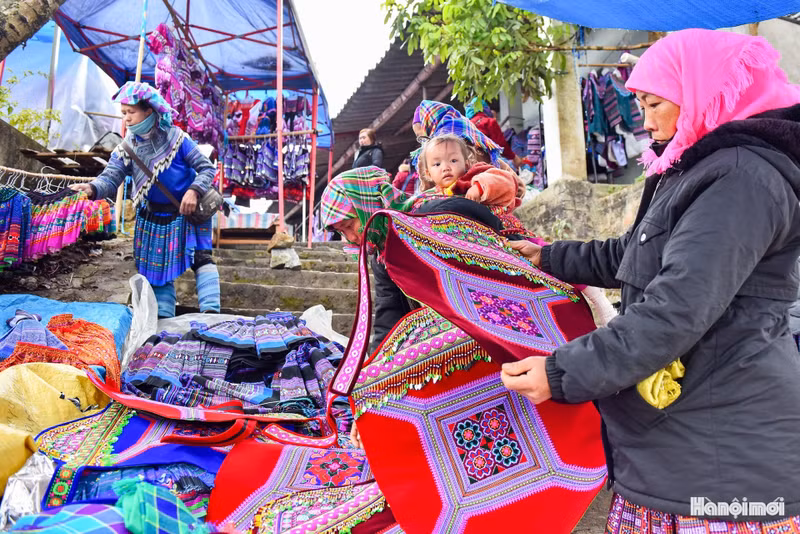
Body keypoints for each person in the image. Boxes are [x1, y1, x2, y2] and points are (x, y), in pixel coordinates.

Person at [501, 29, 800, 530]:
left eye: (655, 103)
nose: (645, 119)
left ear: (703, 92)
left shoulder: (742, 178)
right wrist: (549, 256)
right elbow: (635, 253)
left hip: (723, 451)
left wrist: (561, 373)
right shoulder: (699, 168)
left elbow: (675, 308)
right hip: (687, 432)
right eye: (638, 104)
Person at [70, 82, 220, 319]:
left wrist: (193, 191)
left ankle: (212, 317)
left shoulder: (177, 138)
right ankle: (165, 324)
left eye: (131, 112)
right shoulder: (126, 148)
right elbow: (110, 178)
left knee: (202, 259)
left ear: (149, 110)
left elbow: (207, 169)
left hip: (191, 211)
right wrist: (90, 188)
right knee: (159, 272)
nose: (126, 119)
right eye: (123, 113)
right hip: (154, 216)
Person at [417, 133, 519, 210]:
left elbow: (507, 182)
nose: (445, 168)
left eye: (453, 161)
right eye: (437, 164)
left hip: (494, 228)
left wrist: (479, 187)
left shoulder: (475, 174)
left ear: (466, 165)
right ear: (428, 174)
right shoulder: (431, 196)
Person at [465, 97, 523, 168]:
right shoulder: (489, 122)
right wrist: (514, 157)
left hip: (469, 164)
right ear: (485, 108)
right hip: (487, 163)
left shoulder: (466, 125)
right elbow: (501, 144)